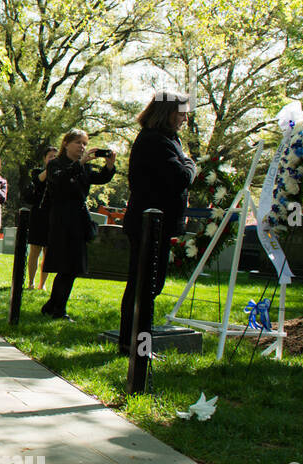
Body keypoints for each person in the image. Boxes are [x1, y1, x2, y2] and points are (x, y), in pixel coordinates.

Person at [117, 91, 197, 353]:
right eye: (181, 113)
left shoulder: (166, 139)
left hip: (156, 224)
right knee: (145, 284)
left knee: (149, 284)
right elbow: (180, 177)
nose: (185, 118)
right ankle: (135, 343)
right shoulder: (155, 141)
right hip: (148, 224)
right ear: (167, 113)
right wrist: (191, 166)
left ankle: (135, 340)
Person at [41, 129, 116, 320]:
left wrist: (109, 166)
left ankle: (53, 305)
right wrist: (79, 164)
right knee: (66, 266)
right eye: (78, 143)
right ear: (66, 144)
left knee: (73, 267)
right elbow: (59, 180)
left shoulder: (85, 167)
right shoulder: (55, 164)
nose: (82, 147)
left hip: (79, 220)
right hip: (61, 220)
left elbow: (99, 178)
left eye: (84, 143)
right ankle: (58, 309)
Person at [25, 145, 58, 290]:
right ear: (44, 159)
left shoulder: (61, 174)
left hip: (54, 216)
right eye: (50, 156)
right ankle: (31, 282)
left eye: (56, 157)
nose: (53, 159)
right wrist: (50, 168)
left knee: (48, 252)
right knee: (34, 250)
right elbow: (38, 181)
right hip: (39, 215)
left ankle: (42, 284)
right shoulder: (38, 172)